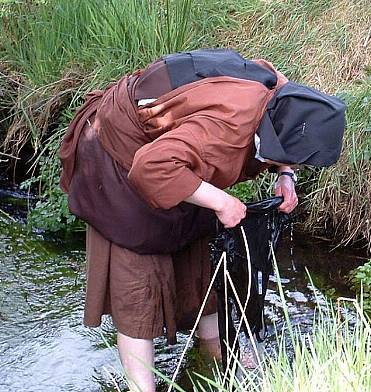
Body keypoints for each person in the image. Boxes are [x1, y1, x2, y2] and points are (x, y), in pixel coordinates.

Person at [58, 48, 346, 392]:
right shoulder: (223, 128)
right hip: (121, 156)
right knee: (136, 282)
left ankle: (215, 357)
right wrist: (222, 200)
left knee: (196, 249)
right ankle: (142, 386)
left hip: (171, 149)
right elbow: (151, 168)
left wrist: (286, 174)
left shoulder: (279, 92)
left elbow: (285, 113)